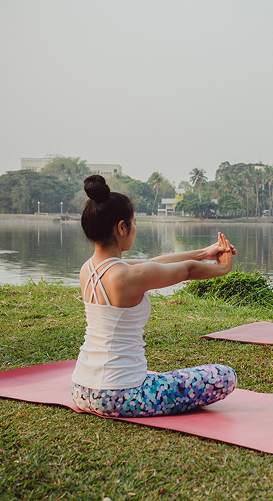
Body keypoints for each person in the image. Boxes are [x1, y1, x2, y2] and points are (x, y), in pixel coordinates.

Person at [71, 175, 237, 417]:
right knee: (225, 376)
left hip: (82, 390)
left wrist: (205, 252)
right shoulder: (129, 275)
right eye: (133, 222)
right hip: (121, 395)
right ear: (121, 227)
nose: (135, 228)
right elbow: (186, 271)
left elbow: (154, 263)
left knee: (159, 377)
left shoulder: (88, 269)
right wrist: (223, 268)